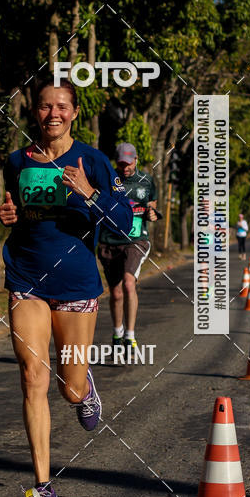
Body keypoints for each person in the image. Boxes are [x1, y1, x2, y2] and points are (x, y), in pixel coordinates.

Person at [0, 77, 133, 497]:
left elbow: (124, 221)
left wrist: (89, 193)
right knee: (32, 376)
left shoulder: (91, 160)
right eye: (43, 106)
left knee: (68, 387)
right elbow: (17, 212)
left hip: (76, 286)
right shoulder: (16, 161)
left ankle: (83, 387)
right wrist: (8, 215)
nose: (52, 113)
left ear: (74, 112)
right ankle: (43, 490)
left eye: (61, 106)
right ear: (34, 112)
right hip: (26, 278)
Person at [97, 142, 158, 355]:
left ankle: (130, 336)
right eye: (121, 164)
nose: (125, 168)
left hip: (136, 240)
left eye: (129, 163)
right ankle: (117, 333)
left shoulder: (147, 181)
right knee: (115, 293)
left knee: (129, 283)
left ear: (136, 159)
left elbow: (152, 207)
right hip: (109, 241)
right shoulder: (107, 179)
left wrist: (151, 214)